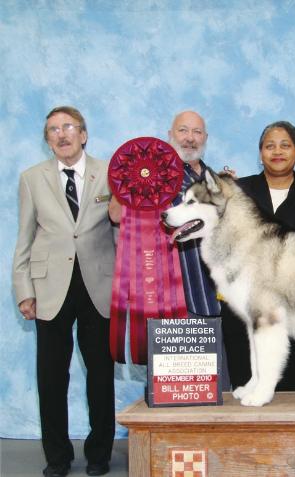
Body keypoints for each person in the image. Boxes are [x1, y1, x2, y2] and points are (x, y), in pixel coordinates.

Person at [13, 106, 115, 477]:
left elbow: (122, 232)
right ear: (47, 140)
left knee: (101, 374)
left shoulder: (109, 173)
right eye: (52, 130)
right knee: (51, 377)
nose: (61, 135)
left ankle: (100, 453)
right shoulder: (31, 178)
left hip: (99, 286)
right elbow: (24, 239)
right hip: (48, 288)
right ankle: (57, 456)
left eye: (68, 127)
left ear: (83, 134)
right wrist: (24, 288)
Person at [109, 110, 230, 388]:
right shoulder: (154, 175)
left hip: (214, 297)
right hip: (171, 299)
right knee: (173, 391)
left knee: (212, 390)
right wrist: (128, 180)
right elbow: (116, 215)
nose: (190, 138)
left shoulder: (215, 179)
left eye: (197, 132)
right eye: (183, 131)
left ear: (206, 138)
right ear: (169, 136)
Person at [222, 121, 295, 391]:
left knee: (294, 389)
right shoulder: (238, 192)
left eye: (285, 145)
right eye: (270, 146)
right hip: (246, 309)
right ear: (260, 154)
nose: (277, 151)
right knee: (248, 385)